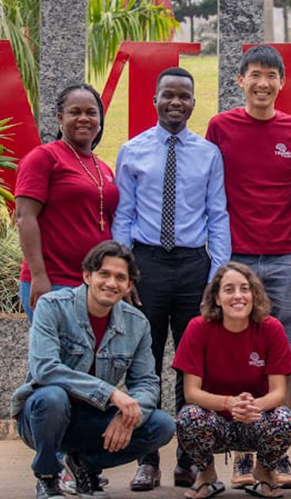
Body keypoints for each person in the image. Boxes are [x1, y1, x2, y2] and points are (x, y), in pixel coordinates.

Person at [113, 66, 231, 491]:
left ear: (193, 102)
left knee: (190, 366)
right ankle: (147, 458)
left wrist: (216, 277)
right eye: (169, 95)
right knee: (146, 364)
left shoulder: (208, 154)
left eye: (184, 95)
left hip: (193, 268)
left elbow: (217, 216)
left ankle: (187, 458)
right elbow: (123, 215)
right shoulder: (132, 150)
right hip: (146, 265)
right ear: (155, 99)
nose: (176, 102)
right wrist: (124, 273)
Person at [206, 44, 291, 488]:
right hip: (237, 260)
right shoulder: (220, 127)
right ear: (240, 81)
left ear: (282, 83)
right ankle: (244, 457)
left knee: (282, 361)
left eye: (271, 75)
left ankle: (277, 456)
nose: (263, 83)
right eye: (255, 74)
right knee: (237, 360)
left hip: (285, 256)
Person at [11, 240, 175, 499]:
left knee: (161, 425)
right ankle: (47, 477)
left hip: (93, 419)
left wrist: (127, 416)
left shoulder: (137, 324)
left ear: (129, 286)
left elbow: (146, 382)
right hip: (44, 418)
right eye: (104, 274)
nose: (111, 283)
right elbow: (45, 369)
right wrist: (111, 394)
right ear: (87, 275)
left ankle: (83, 466)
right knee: (52, 396)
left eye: (121, 277)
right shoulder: (52, 306)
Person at [173, 262, 291, 499]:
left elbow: (279, 392)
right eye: (229, 290)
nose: (238, 296)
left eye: (244, 289)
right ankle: (206, 474)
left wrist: (253, 406)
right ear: (217, 298)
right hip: (214, 422)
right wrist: (229, 403)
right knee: (188, 418)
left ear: (254, 294)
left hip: (256, 419)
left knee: (284, 419)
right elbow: (191, 393)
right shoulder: (198, 328)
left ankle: (265, 471)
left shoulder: (271, 328)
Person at [15, 83, 120, 320]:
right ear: (60, 118)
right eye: (75, 112)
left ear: (100, 120)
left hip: (93, 284)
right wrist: (39, 275)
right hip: (54, 282)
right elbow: (24, 217)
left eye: (91, 113)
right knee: (53, 356)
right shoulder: (44, 157)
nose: (84, 118)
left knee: (86, 356)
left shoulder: (102, 167)